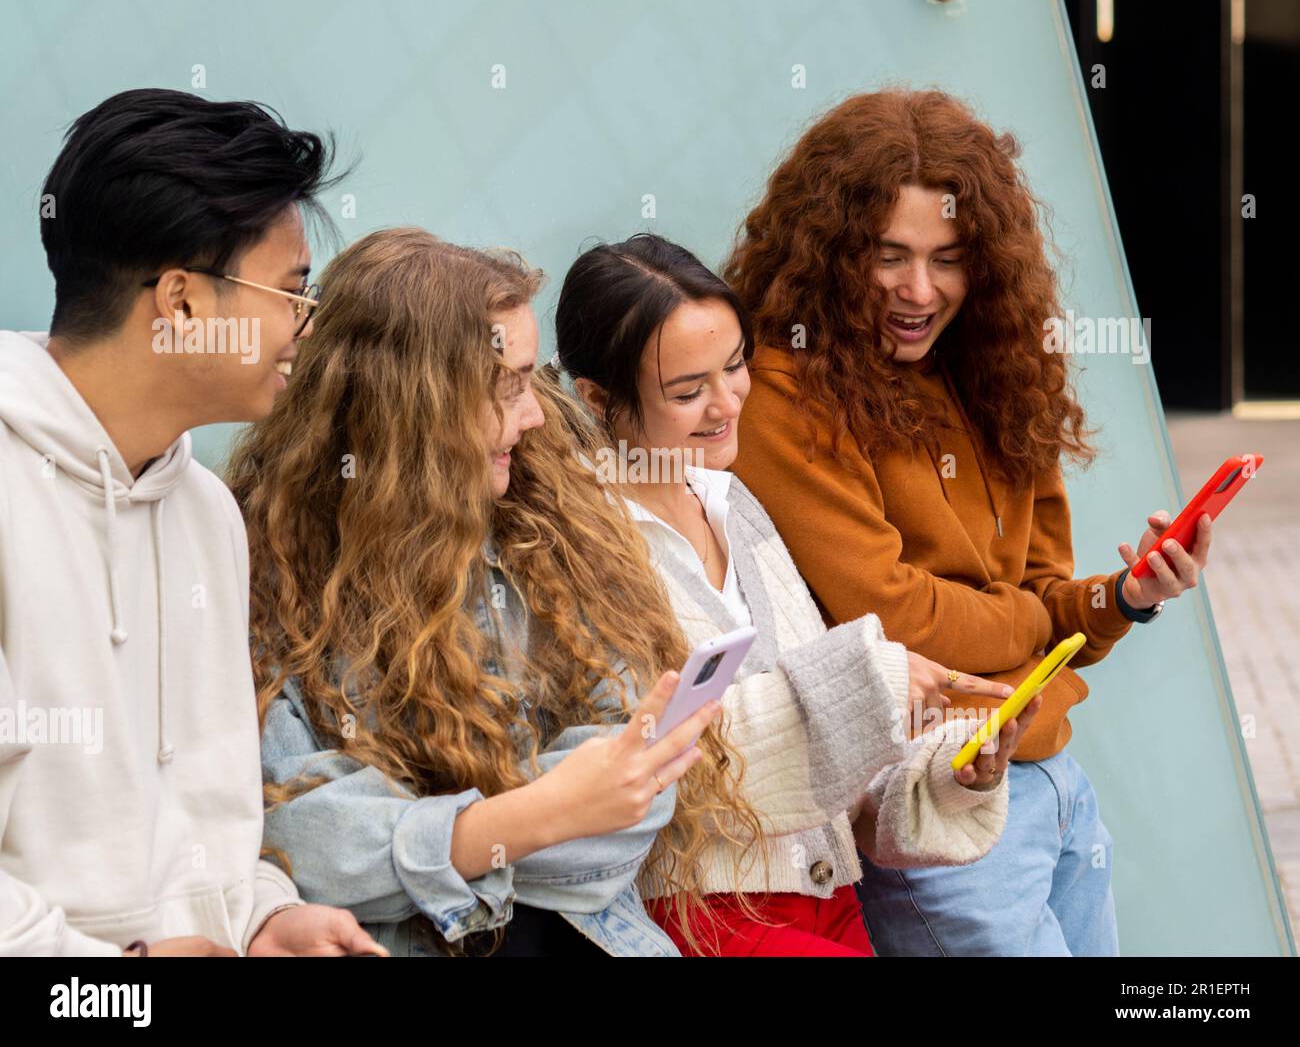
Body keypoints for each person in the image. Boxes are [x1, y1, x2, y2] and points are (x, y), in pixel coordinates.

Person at [726, 89, 1214, 956]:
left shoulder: (990, 374)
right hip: (935, 802)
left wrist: (1125, 596)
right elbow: (896, 619)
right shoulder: (785, 393)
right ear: (833, 253)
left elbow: (1048, 596)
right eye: (889, 257)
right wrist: (1041, 622)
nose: (920, 290)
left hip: (1054, 779)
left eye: (948, 258)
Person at [228, 227, 757, 956]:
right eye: (506, 388)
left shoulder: (548, 522)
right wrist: (538, 812)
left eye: (530, 381)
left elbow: (639, 785)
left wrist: (430, 841)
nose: (536, 413)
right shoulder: (263, 564)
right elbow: (297, 841)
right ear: (413, 408)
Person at [554, 232, 1039, 957]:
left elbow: (833, 776)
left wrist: (951, 770)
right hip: (700, 918)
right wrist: (867, 682)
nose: (726, 403)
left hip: (829, 904)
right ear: (596, 399)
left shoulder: (735, 503)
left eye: (735, 366)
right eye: (688, 390)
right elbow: (642, 761)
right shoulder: (577, 547)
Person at [0, 88, 381, 956]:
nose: (305, 325)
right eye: (291, 292)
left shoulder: (207, 510)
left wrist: (263, 917)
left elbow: (206, 825)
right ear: (178, 302)